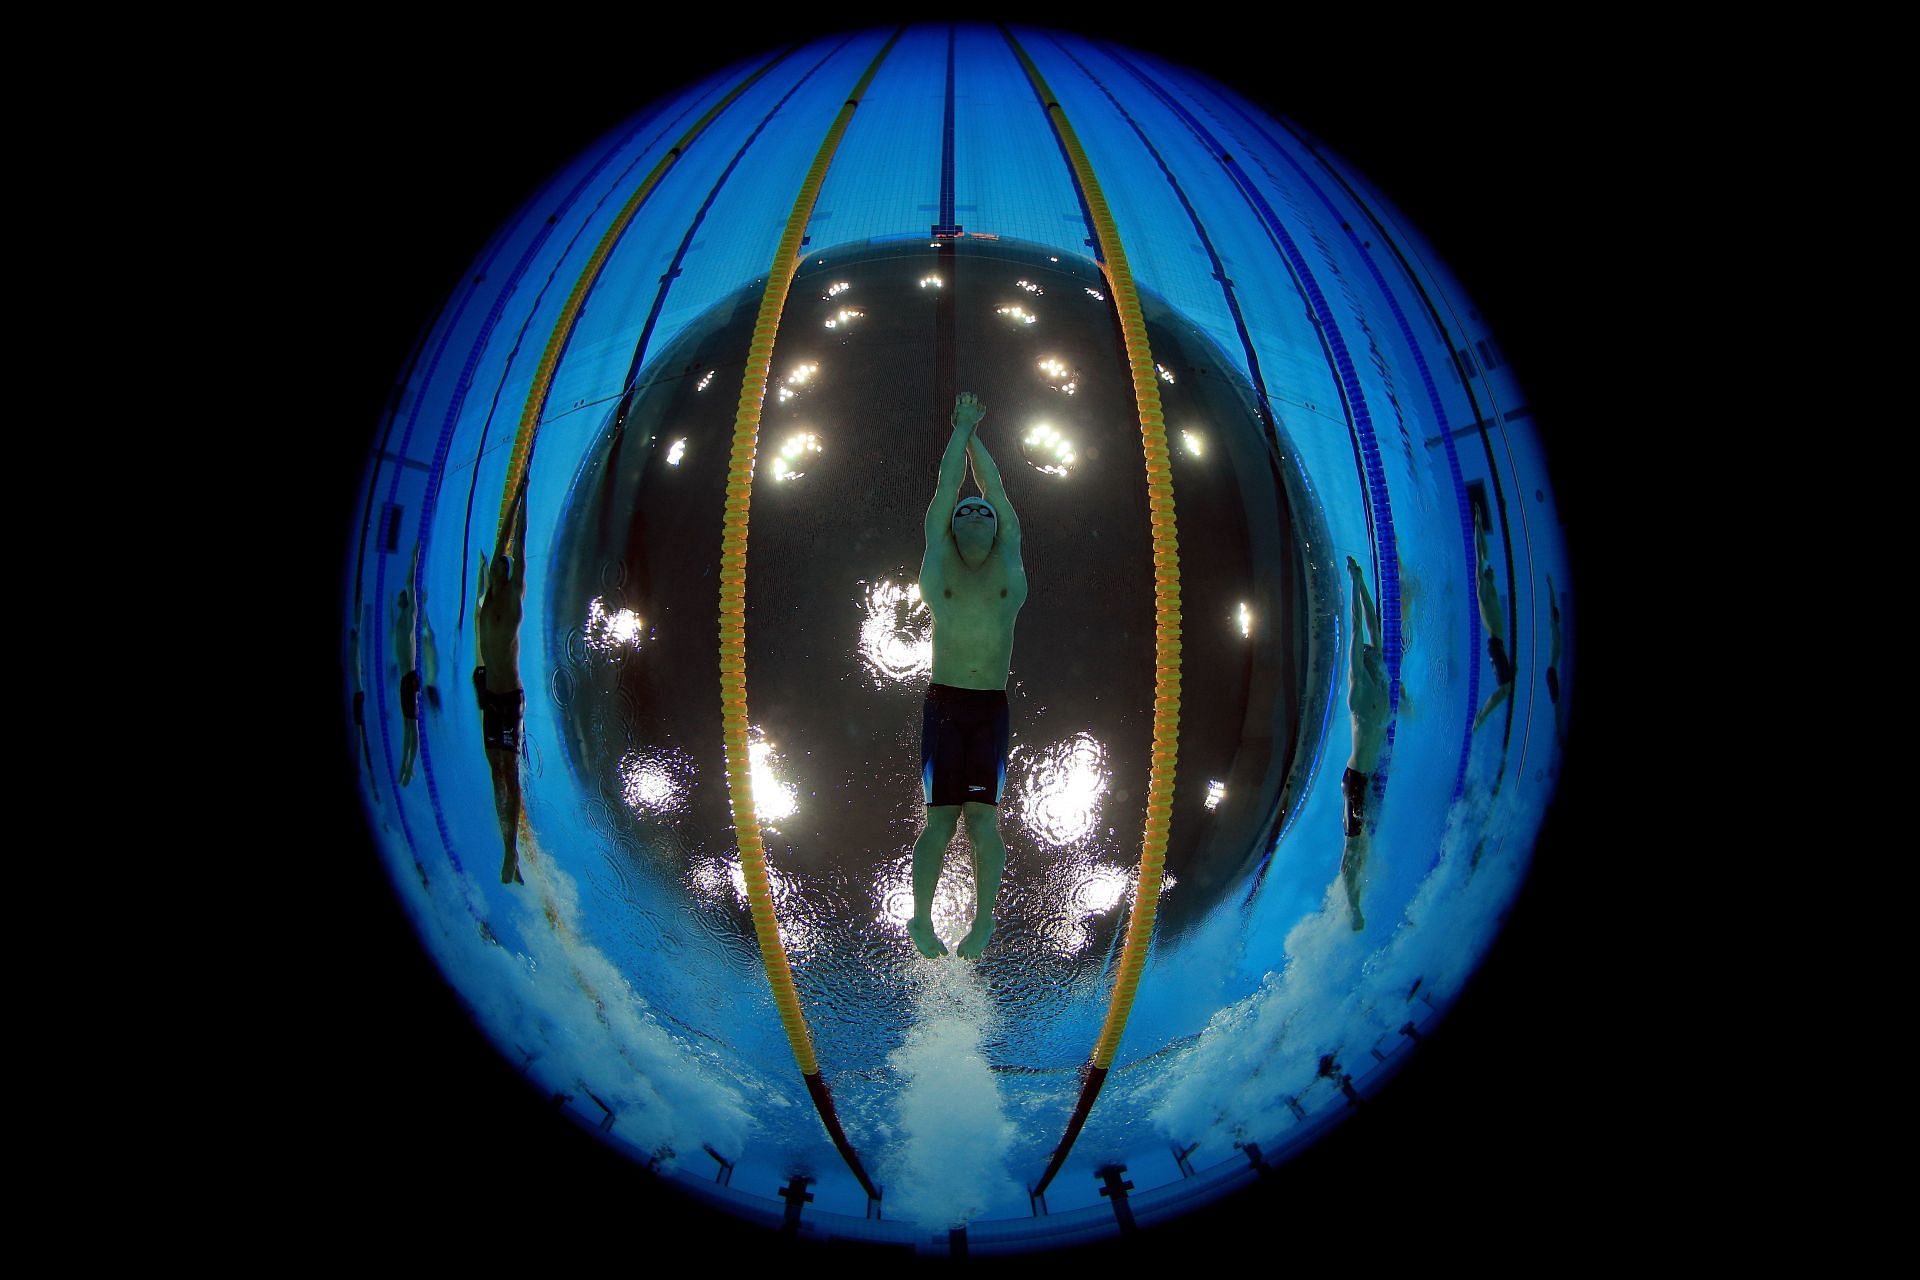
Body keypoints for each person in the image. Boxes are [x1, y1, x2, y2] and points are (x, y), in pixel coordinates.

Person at [907, 393, 1028, 960]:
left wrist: (977, 432)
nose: (974, 511)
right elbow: (943, 494)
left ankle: (983, 922)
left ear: (999, 527)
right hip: (946, 705)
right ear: (950, 531)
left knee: (983, 820)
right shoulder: (939, 566)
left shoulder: (1010, 569)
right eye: (965, 512)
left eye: (983, 512)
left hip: (991, 709)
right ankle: (921, 920)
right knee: (939, 822)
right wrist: (960, 430)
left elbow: (998, 494)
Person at [476, 482, 530, 885]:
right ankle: (504, 846)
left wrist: (524, 502)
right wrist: (511, 498)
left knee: (509, 771)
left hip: (509, 698)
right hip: (490, 697)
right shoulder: (488, 602)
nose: (499, 570)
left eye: (504, 569)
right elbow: (502, 544)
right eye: (496, 567)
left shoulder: (511, 600)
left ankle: (512, 852)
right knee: (495, 772)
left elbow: (519, 547)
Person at [1341, 555, 1390, 930]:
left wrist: (1366, 585)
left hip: (1371, 775)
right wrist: (1356, 582)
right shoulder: (1359, 690)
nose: (1375, 656)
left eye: (1374, 655)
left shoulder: (1382, 681)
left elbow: (1374, 627)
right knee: (1352, 846)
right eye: (1369, 655)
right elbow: (1359, 630)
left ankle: (1360, 890)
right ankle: (1352, 907)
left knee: (1366, 843)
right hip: (1356, 780)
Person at [1471, 501, 1514, 731]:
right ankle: (1481, 717)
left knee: (1506, 689)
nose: (1492, 568)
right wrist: (1478, 522)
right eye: (1489, 569)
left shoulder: (1488, 586)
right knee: (1505, 689)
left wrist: (1479, 521)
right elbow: (1481, 553)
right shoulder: (1483, 587)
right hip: (1495, 645)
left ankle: (1482, 717)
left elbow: (1484, 554)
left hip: (1497, 644)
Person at [393, 543, 423, 786]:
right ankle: (406, 765)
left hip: (411, 678)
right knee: (406, 726)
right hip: (405, 680)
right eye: (401, 597)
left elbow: (410, 584)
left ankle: (409, 766)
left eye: (405, 596)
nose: (403, 597)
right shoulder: (399, 623)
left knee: (411, 727)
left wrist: (413, 557)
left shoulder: (411, 616)